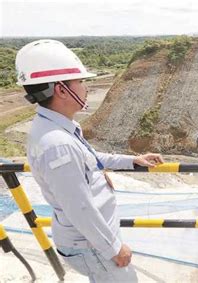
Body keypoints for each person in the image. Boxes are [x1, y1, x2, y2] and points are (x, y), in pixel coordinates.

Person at [16, 39, 164, 282]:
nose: (86, 88)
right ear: (61, 90)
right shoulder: (58, 145)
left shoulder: (59, 127)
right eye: (81, 82)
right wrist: (113, 249)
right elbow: (80, 207)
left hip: (90, 240)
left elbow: (90, 159)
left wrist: (132, 160)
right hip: (91, 246)